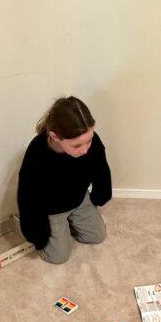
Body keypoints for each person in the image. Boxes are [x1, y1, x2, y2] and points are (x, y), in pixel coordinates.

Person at [17, 96, 112, 264]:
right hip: (52, 209)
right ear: (54, 136)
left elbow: (101, 169)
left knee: (98, 236)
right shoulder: (37, 153)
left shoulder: (92, 142)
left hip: (79, 199)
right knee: (59, 257)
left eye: (88, 141)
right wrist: (36, 234)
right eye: (77, 146)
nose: (85, 150)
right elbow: (27, 196)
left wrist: (100, 196)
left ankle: (72, 222)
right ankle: (61, 228)